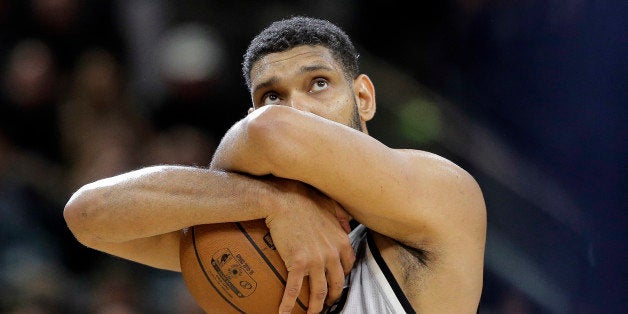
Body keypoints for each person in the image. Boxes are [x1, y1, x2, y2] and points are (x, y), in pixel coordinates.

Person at [64, 16, 486, 313]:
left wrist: (267, 177)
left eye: (318, 84)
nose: (295, 107)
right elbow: (88, 214)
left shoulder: (441, 190)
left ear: (363, 99)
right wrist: (272, 203)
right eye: (271, 94)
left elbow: (273, 131)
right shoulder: (254, 230)